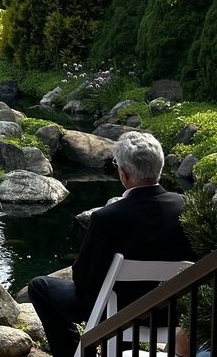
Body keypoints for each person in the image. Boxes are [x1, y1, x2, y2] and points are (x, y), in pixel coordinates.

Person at [27, 132, 197, 357]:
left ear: (124, 174)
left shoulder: (107, 218)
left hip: (121, 316)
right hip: (176, 313)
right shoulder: (191, 209)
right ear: (160, 168)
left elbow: (85, 280)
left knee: (39, 287)